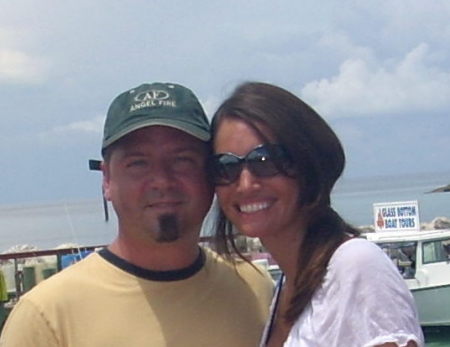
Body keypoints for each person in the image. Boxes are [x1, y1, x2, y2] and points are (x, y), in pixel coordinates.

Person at [0, 82, 273, 346]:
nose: (162, 180)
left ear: (210, 172)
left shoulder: (255, 289)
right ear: (107, 179)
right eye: (138, 163)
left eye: (182, 160)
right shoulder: (47, 316)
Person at [209, 82, 424, 347]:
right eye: (225, 166)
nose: (245, 184)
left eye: (265, 161)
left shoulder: (355, 268)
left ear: (307, 164)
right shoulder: (290, 284)